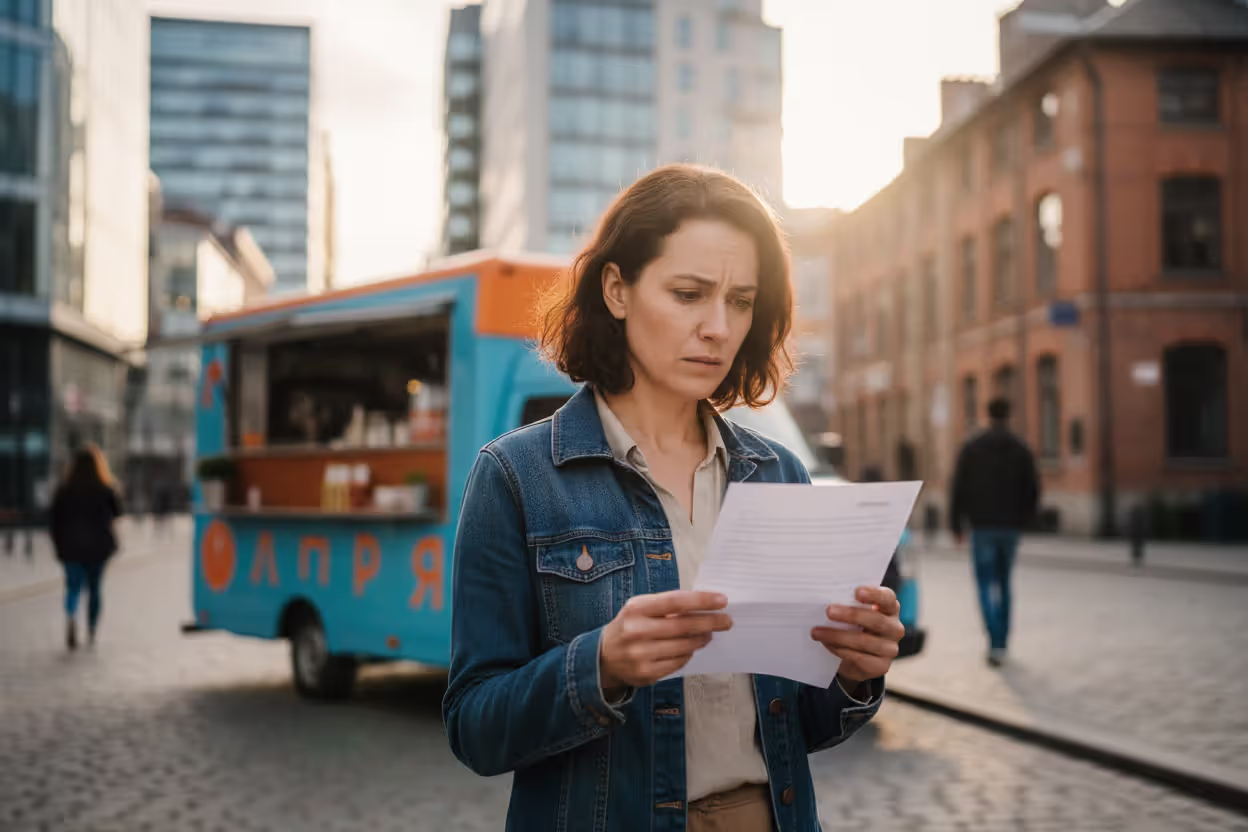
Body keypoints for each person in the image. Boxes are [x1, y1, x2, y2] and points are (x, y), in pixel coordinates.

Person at [444, 164, 905, 832]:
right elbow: (474, 727)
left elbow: (798, 724)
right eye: (689, 294)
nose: (718, 326)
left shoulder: (777, 474)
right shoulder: (515, 477)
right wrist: (601, 665)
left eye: (741, 300)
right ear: (617, 290)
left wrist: (854, 675)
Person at [948, 397, 1040, 667]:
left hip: (982, 526)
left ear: (987, 414)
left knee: (986, 584)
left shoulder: (972, 447)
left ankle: (994, 641)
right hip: (1009, 527)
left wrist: (956, 525)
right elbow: (1032, 489)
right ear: (1009, 414)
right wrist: (1025, 519)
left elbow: (958, 487)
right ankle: (1002, 641)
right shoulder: (1020, 447)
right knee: (1005, 582)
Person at [48, 444, 123, 650]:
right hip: (98, 548)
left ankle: (71, 617)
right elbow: (118, 513)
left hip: (71, 548)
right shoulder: (105, 488)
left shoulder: (64, 490)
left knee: (73, 587)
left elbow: (54, 520)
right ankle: (91, 630)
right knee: (94, 589)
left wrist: (58, 545)